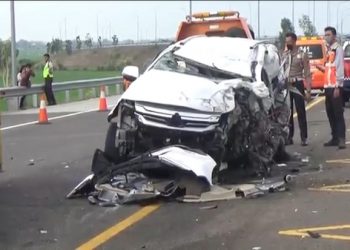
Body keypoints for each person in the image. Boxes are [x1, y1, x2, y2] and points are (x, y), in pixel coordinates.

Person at [316, 27, 346, 149]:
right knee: (330, 113)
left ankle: (341, 139)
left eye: (328, 35)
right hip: (328, 86)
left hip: (335, 87)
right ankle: (334, 137)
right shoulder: (329, 50)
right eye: (325, 35)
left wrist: (338, 86)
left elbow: (339, 68)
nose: (326, 37)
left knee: (338, 113)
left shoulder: (337, 49)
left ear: (334, 36)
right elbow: (329, 68)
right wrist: (321, 68)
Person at [282, 32, 312, 146]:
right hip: (287, 85)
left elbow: (308, 73)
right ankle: (289, 136)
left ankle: (304, 137)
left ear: (294, 41)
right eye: (286, 42)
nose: (287, 44)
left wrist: (308, 90)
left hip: (297, 84)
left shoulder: (302, 55)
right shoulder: (284, 54)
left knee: (300, 111)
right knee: (288, 112)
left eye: (289, 42)